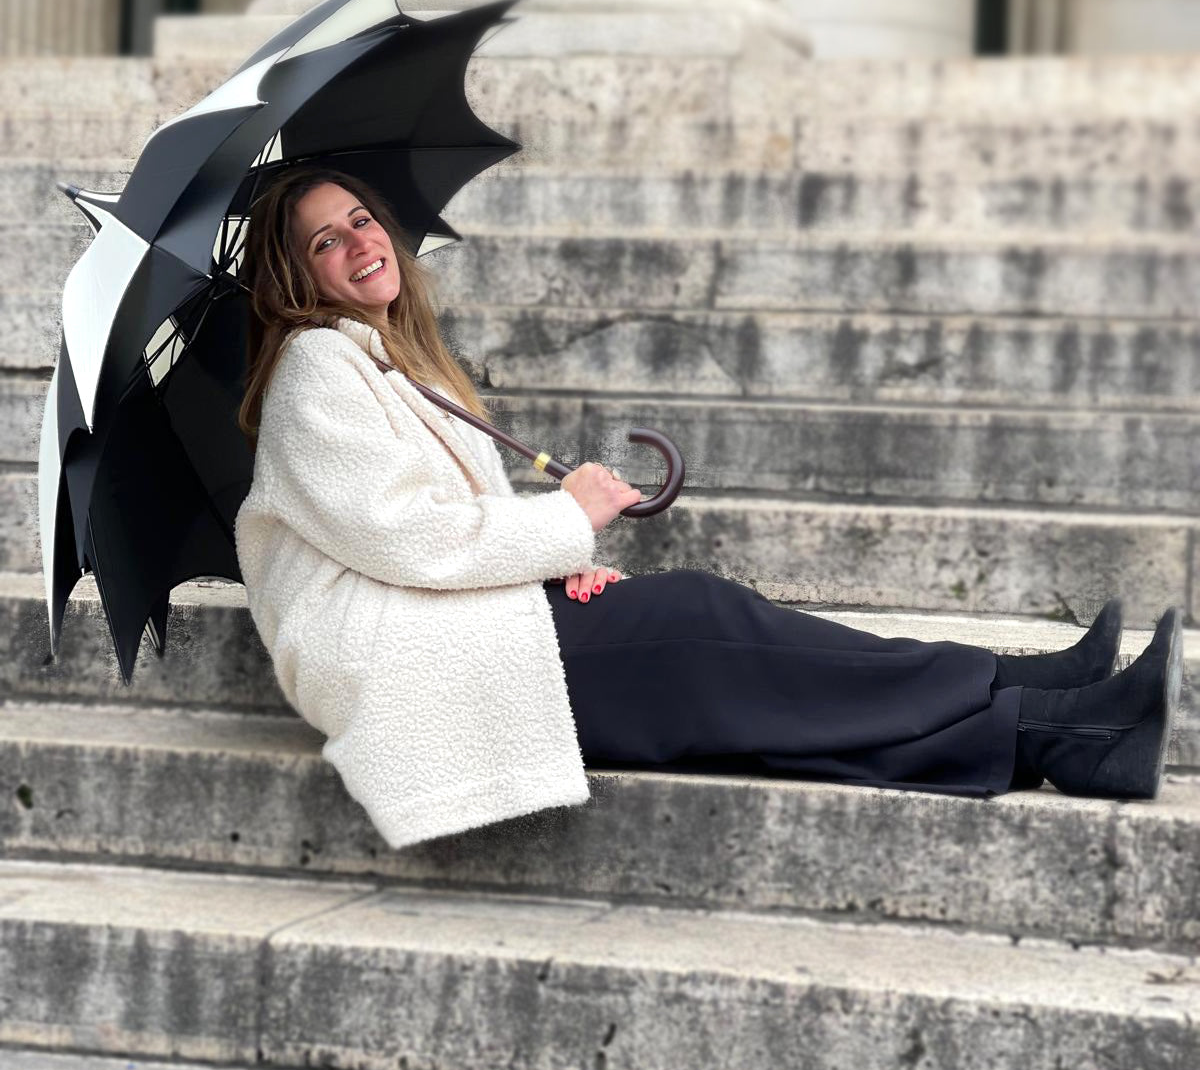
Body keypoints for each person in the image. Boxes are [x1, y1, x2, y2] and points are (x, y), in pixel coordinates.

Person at [233, 165, 1184, 852]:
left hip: (463, 625)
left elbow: (430, 527)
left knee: (735, 680)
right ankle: (1041, 707)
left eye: (363, 220)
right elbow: (411, 535)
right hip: (416, 663)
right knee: (701, 626)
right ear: (294, 276)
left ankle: (1049, 712)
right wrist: (566, 519)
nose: (361, 243)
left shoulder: (388, 362)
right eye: (327, 239)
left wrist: (552, 562)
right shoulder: (317, 367)